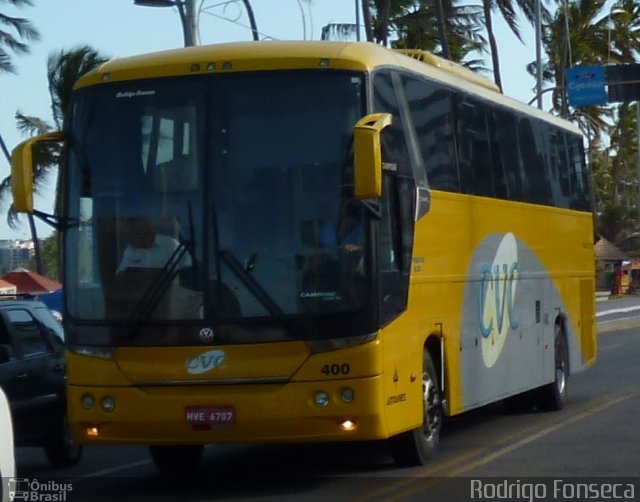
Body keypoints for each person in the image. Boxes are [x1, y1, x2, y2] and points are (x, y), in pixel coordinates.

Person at [116, 217, 192, 274]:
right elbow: (120, 272)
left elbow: (188, 269)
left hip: (170, 291)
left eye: (130, 236)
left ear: (143, 233)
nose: (129, 240)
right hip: (140, 292)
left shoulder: (170, 244)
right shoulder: (130, 249)